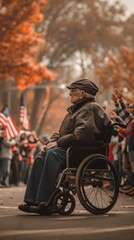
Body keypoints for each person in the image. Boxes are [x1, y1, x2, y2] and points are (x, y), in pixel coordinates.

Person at [18, 78, 111, 215]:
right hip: (70, 148)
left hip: (81, 150)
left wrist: (58, 143)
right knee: (41, 155)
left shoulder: (89, 108)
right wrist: (50, 142)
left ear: (82, 94)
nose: (70, 94)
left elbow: (82, 135)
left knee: (52, 154)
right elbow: (60, 133)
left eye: (73, 91)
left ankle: (45, 201)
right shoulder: (74, 111)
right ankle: (32, 200)